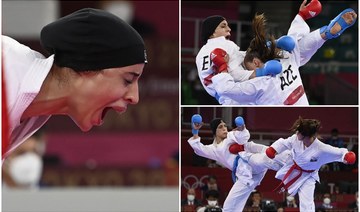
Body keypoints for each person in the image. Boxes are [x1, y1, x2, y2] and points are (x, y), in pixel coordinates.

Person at [2, 8, 147, 158]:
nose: (134, 98)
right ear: (88, 66)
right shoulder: (5, 67)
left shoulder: (30, 114)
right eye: (128, 80)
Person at [210, 0, 357, 105]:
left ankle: (325, 33)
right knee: (295, 47)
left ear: (256, 62)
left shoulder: (259, 84)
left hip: (291, 113)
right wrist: (301, 16)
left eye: (248, 67)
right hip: (300, 99)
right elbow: (293, 38)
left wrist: (222, 68)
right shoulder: (286, 56)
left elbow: (226, 90)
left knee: (296, 48)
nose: (249, 73)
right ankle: (326, 32)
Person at [188, 114, 289, 211]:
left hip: (249, 162)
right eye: (220, 127)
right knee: (229, 205)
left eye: (225, 126)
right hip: (243, 175)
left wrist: (241, 128)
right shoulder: (213, 149)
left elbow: (242, 137)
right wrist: (195, 130)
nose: (224, 128)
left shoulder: (231, 136)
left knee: (263, 159)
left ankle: (291, 162)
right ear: (215, 131)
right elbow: (199, 149)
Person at [265, 117, 356, 211]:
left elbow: (337, 151)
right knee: (264, 156)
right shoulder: (296, 138)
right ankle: (251, 154)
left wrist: (346, 155)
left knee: (306, 204)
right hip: (291, 161)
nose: (296, 133)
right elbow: (284, 143)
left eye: (299, 132)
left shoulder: (321, 149)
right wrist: (273, 149)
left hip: (308, 176)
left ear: (306, 135)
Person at [195, 15, 283, 104]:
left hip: (223, 97)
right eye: (223, 26)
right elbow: (235, 73)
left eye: (227, 25)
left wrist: (266, 46)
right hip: (237, 94)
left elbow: (240, 58)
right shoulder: (225, 44)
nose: (229, 29)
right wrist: (261, 72)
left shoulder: (200, 55)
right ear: (212, 33)